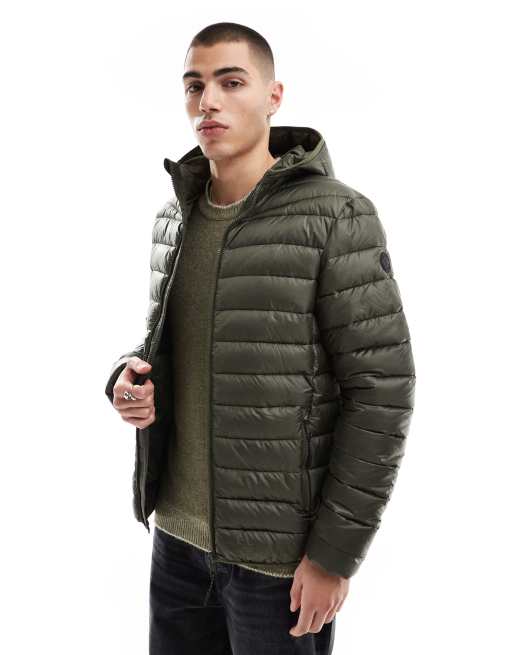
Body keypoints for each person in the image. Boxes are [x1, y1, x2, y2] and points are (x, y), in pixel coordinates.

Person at [104, 21, 416, 655]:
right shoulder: (175, 217)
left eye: (231, 82)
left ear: (273, 96)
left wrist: (333, 556)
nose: (208, 102)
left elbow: (381, 391)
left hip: (279, 563)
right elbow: (172, 344)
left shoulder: (336, 215)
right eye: (194, 85)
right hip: (177, 542)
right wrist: (127, 379)